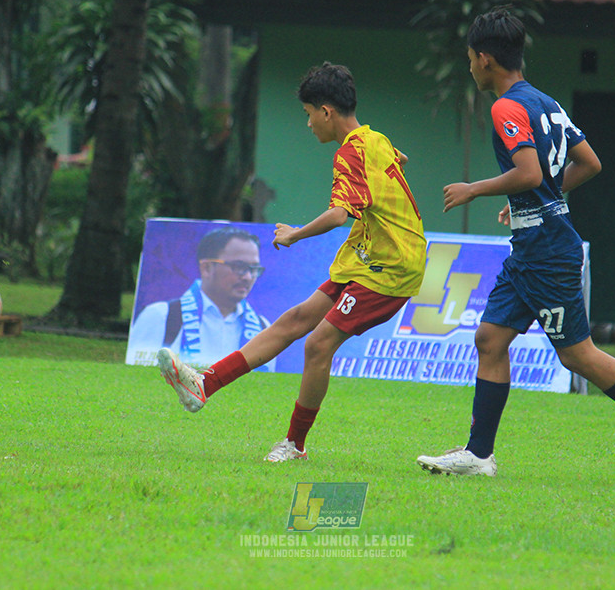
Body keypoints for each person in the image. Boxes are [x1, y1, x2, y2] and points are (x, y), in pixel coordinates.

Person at [415, 9, 615, 490]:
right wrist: (538, 198)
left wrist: (475, 189)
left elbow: (527, 172)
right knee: (490, 338)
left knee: (578, 356)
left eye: (469, 59)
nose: (469, 68)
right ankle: (479, 454)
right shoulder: (545, 102)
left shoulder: (506, 107)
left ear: (485, 59)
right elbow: (589, 162)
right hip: (532, 245)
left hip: (546, 251)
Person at [157, 62, 427, 462]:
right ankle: (204, 384)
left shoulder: (349, 155)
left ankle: (294, 445)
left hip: (393, 267)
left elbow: (339, 214)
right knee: (295, 321)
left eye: (308, 115)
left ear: (326, 112)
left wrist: (294, 234)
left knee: (318, 344)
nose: (308, 125)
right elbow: (397, 160)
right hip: (369, 256)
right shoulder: (374, 139)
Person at [126, 226, 273, 369]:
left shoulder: (263, 328)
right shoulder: (160, 317)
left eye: (254, 269)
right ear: (206, 268)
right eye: (238, 266)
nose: (248, 277)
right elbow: (137, 376)